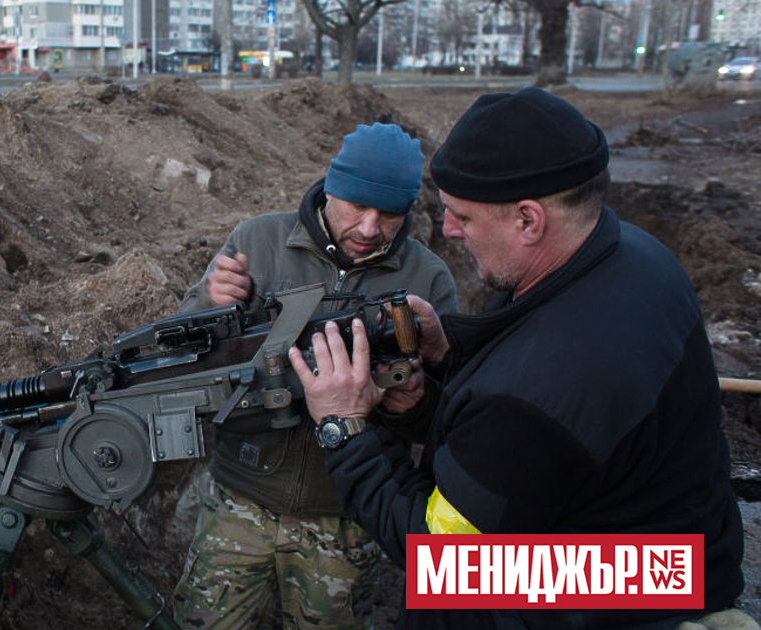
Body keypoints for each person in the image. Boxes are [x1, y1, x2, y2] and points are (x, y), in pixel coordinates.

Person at [289, 87, 751, 629]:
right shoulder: (636, 258)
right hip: (664, 569)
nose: (449, 230)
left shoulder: (544, 387)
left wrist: (346, 429)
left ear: (529, 220)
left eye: (462, 216)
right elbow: (533, 408)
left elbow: (438, 561)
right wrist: (450, 350)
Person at [171, 123, 459, 630]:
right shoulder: (258, 241)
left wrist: (413, 403)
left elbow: (448, 418)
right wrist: (207, 303)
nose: (370, 228)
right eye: (356, 207)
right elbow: (184, 353)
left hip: (347, 521)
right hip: (240, 500)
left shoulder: (429, 279)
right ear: (331, 187)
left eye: (390, 214)